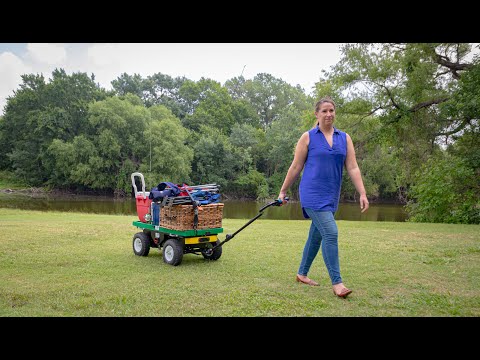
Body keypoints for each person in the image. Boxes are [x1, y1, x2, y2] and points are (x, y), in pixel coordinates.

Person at [278, 96, 369, 299]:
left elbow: (353, 167)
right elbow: (296, 166)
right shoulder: (308, 137)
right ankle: (337, 283)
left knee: (316, 235)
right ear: (317, 114)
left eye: (331, 111)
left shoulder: (344, 138)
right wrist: (283, 191)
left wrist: (362, 192)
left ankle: (302, 274)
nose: (329, 114)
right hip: (311, 193)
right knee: (330, 233)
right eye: (324, 111)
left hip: (331, 195)